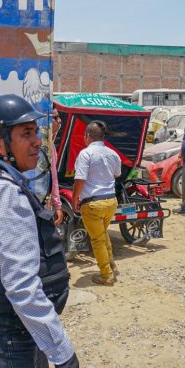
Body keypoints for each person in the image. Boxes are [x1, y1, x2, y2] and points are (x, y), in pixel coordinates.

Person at [0, 94, 80, 368]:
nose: (38, 142)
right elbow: (21, 285)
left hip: (14, 325)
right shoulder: (3, 192)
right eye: (26, 134)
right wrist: (62, 351)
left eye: (36, 132)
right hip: (9, 328)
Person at [72, 121, 122, 286]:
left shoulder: (85, 154)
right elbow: (116, 175)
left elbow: (80, 179)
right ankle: (111, 265)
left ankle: (106, 274)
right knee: (103, 234)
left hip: (93, 204)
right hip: (111, 202)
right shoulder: (113, 154)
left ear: (87, 136)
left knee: (97, 240)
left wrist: (75, 199)